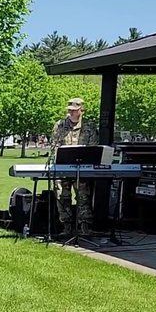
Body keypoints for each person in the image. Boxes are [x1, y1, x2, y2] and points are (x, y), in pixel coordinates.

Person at [49, 98, 99, 236]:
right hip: (62, 168)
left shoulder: (89, 126)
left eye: (74, 110)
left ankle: (85, 227)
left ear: (81, 110)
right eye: (69, 110)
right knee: (61, 196)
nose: (71, 113)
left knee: (83, 197)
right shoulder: (60, 125)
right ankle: (66, 226)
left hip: (82, 169)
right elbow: (55, 146)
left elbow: (93, 148)